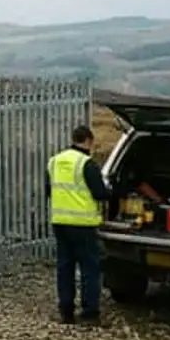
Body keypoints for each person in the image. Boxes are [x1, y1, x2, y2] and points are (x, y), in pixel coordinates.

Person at [45, 124, 114, 324]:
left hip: (60, 222)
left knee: (65, 267)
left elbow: (49, 190)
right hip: (83, 224)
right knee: (89, 268)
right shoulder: (87, 164)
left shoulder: (54, 161)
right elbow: (100, 193)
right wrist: (113, 192)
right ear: (89, 141)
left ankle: (66, 311)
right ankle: (89, 313)